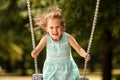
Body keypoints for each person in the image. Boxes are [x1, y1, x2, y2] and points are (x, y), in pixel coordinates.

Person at [31, 7, 91, 80]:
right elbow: (36, 50)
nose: (55, 30)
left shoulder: (68, 37)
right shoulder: (46, 39)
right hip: (52, 71)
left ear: (62, 27)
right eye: (51, 27)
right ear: (46, 28)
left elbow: (79, 49)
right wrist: (34, 53)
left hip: (67, 71)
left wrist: (85, 54)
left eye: (57, 27)